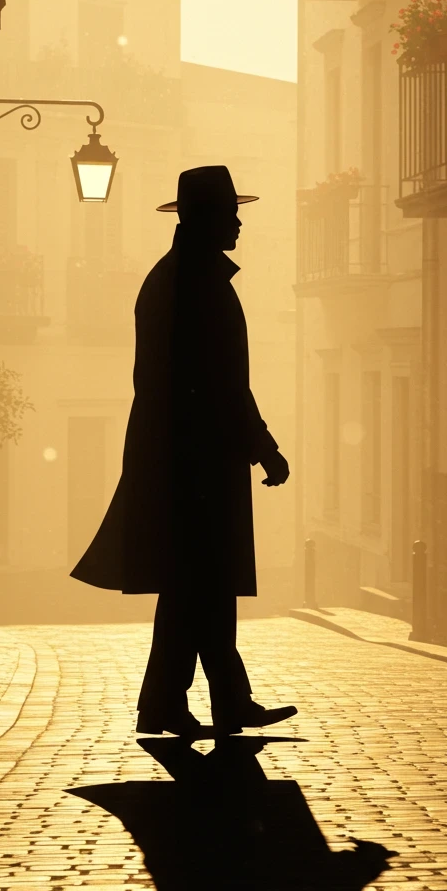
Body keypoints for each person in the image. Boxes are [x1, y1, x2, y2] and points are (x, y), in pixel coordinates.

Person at [71, 165, 297, 739]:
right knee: (201, 584)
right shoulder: (197, 284)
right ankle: (191, 704)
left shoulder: (181, 277)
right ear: (206, 219)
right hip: (195, 462)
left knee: (196, 587)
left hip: (185, 457)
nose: (240, 224)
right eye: (231, 214)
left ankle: (190, 703)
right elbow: (221, 383)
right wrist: (264, 447)